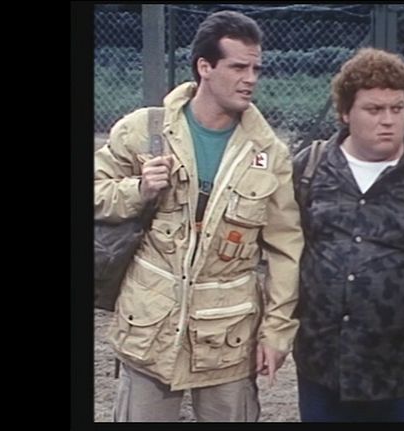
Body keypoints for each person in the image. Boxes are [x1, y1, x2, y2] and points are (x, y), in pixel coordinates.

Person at [94, 10, 303, 422]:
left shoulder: (269, 153)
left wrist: (278, 330)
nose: (250, 79)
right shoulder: (145, 130)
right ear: (204, 67)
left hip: (227, 341)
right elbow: (95, 192)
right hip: (149, 331)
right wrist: (139, 190)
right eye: (238, 67)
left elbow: (286, 250)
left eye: (256, 69)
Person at [291, 48, 404, 422]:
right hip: (323, 369)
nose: (388, 120)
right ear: (345, 112)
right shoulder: (309, 169)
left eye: (397, 108)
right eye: (373, 109)